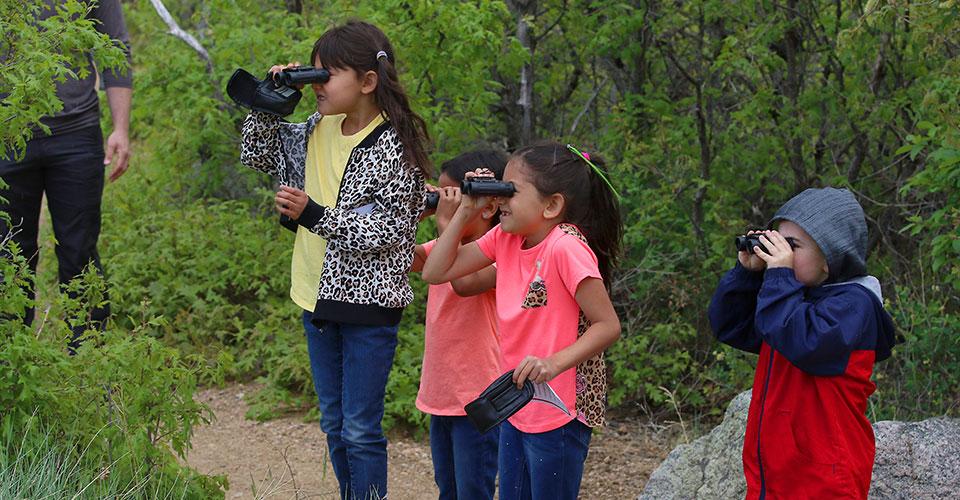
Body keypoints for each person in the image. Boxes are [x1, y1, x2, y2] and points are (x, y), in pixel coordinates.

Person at [239, 20, 430, 500]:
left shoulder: (393, 146)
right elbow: (256, 153)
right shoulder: (316, 128)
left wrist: (314, 215)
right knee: (333, 423)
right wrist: (272, 97)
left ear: (368, 82)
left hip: (368, 305)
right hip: (315, 294)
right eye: (313, 74)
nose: (317, 84)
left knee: (361, 428)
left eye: (327, 75)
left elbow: (387, 231)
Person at [422, 142, 623, 499]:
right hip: (516, 403)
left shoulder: (566, 247)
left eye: (509, 192)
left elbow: (607, 325)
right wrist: (465, 210)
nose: (500, 200)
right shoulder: (506, 238)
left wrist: (553, 363)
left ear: (551, 205)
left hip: (560, 407)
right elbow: (436, 273)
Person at [708, 187, 898, 499]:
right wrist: (747, 274)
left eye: (791, 246)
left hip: (826, 478)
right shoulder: (789, 296)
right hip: (774, 474)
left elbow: (806, 343)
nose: (778, 254)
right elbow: (729, 325)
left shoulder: (855, 305)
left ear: (831, 255)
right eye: (776, 243)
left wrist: (780, 278)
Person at [0, 0, 132, 351]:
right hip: (8, 133)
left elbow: (114, 47)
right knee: (9, 255)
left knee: (79, 251)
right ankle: (12, 366)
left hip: (76, 131)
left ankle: (89, 362)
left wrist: (120, 128)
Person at [410, 150, 507, 500]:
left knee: (473, 491)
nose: (445, 204)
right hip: (441, 394)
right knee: (447, 489)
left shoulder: (501, 253)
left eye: (455, 196)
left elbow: (463, 283)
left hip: (477, 396)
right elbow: (393, 254)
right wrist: (411, 209)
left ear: (487, 206)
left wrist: (445, 224)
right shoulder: (444, 245)